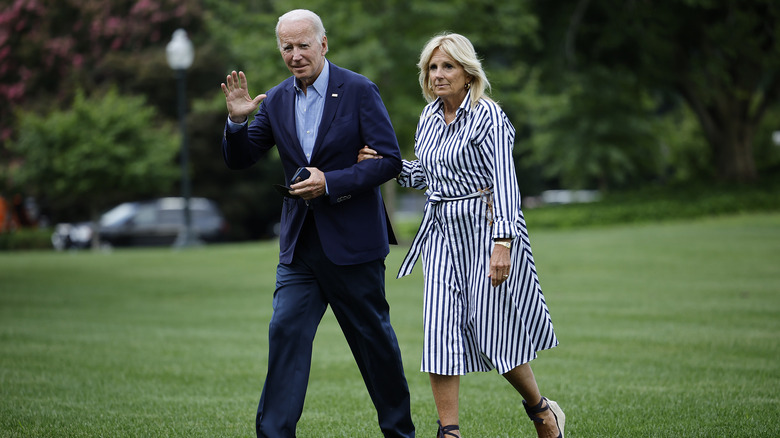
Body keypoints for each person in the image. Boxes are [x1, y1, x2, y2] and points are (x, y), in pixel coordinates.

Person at [359, 33, 565, 438]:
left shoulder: (489, 116)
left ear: (468, 73)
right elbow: (426, 176)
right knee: (438, 333)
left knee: (493, 332)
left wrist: (502, 244)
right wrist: (389, 164)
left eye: (447, 66)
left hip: (487, 229)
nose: (437, 75)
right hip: (440, 234)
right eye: (432, 67)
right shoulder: (429, 118)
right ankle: (449, 433)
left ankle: (542, 411)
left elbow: (506, 182)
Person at [220, 9, 415, 438]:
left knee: (374, 345)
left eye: (302, 45)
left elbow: (389, 162)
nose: (294, 55)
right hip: (300, 249)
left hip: (354, 245)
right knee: (285, 332)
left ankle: (400, 433)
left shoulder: (360, 90)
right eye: (286, 47)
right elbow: (240, 158)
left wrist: (331, 183)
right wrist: (237, 121)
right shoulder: (274, 100)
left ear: (323, 44)